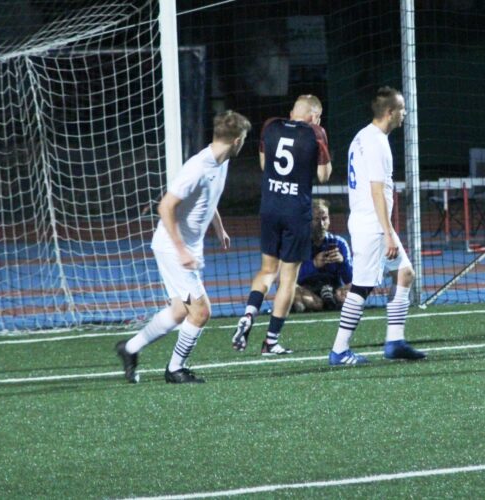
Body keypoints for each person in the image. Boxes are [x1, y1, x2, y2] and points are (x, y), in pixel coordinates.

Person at [115, 110, 251, 383]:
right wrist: (181, 251)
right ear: (237, 140)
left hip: (184, 248)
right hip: (173, 248)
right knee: (201, 311)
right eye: (244, 139)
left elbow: (208, 198)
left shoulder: (221, 161)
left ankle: (129, 349)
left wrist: (219, 227)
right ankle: (175, 369)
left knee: (179, 311)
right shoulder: (197, 168)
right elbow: (165, 206)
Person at [328, 86, 426, 366]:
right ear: (390, 112)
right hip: (372, 225)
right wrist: (388, 233)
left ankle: (395, 342)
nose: (405, 113)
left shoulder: (362, 136)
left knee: (405, 273)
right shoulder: (377, 143)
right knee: (361, 287)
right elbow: (376, 191)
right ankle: (339, 350)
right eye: (402, 109)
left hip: (368, 221)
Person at [231, 95, 332, 355]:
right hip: (296, 212)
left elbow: (264, 165)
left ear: (292, 112)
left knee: (267, 270)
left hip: (269, 208)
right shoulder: (316, 133)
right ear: (315, 117)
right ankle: (271, 341)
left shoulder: (271, 126)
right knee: (288, 279)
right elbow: (323, 176)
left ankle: (249, 313)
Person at [291, 198, 353, 313]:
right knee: (289, 287)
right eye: (316, 219)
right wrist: (314, 264)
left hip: (333, 289)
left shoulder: (340, 243)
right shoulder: (298, 244)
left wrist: (342, 262)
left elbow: (349, 279)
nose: (321, 224)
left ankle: (321, 302)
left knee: (354, 289)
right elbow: (290, 276)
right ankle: (321, 304)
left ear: (329, 219)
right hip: (306, 290)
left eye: (324, 218)